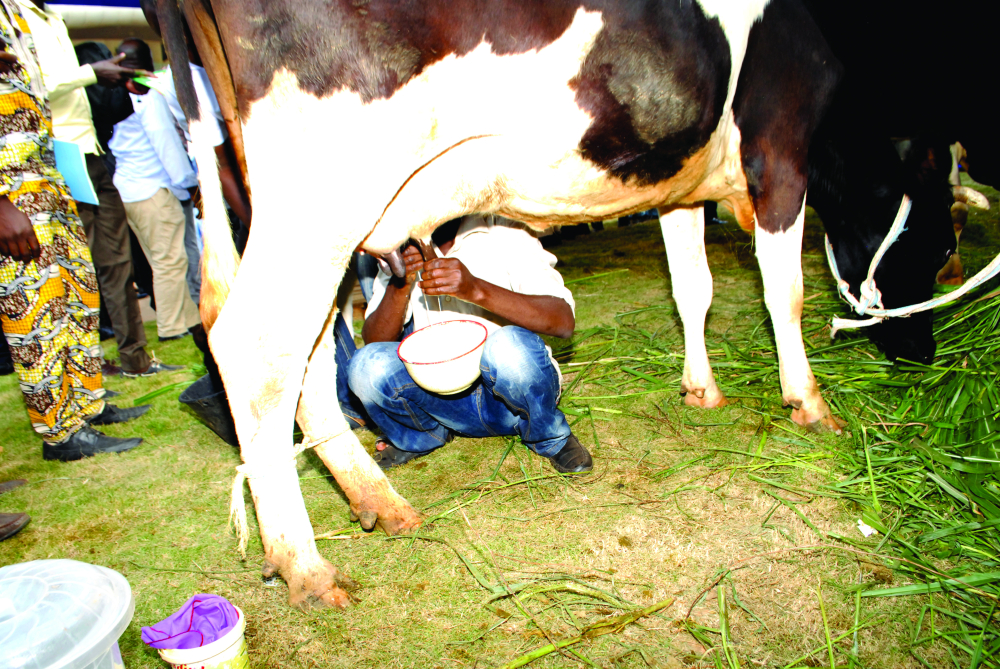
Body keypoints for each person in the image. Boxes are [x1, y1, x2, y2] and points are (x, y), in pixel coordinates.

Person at [0, 1, 150, 461]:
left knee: (77, 298)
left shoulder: (18, 16)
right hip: (12, 193)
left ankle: (86, 406)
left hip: (48, 179)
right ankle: (60, 433)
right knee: (36, 311)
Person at [347, 214, 592, 473]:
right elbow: (374, 342)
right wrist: (401, 283)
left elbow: (562, 321)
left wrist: (474, 288)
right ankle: (422, 436)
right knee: (365, 365)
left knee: (508, 346)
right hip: (442, 403)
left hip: (511, 399)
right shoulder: (402, 248)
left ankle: (549, 437)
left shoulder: (502, 227)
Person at [17, 1, 176, 377]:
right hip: (56, 154)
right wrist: (90, 73)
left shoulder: (52, 17)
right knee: (75, 268)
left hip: (91, 153)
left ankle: (135, 359)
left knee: (117, 263)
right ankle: (85, 369)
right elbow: (30, 84)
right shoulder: (16, 15)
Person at [109, 38, 201, 344]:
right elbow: (167, 145)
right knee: (170, 262)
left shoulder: (115, 93)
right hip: (154, 190)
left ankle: (188, 318)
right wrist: (189, 183)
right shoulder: (146, 91)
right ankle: (172, 327)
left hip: (129, 189)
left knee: (161, 260)